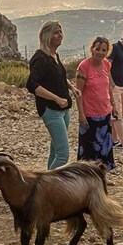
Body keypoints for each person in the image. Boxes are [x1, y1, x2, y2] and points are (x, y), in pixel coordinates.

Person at [25, 20, 78, 169]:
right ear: (46, 36)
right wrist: (56, 98)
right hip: (51, 110)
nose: (60, 35)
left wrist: (72, 87)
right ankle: (47, 185)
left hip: (63, 109)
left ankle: (47, 186)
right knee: (63, 155)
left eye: (60, 32)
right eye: (56, 32)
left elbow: (58, 75)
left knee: (55, 151)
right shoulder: (40, 58)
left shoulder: (54, 55)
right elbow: (32, 85)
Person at [75, 37, 118, 170]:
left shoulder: (106, 64)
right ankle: (86, 179)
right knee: (89, 148)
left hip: (104, 113)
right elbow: (78, 92)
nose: (100, 52)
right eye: (97, 49)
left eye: (103, 50)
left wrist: (113, 106)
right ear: (92, 49)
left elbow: (109, 87)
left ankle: (102, 175)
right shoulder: (83, 67)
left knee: (104, 147)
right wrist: (81, 114)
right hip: (89, 115)